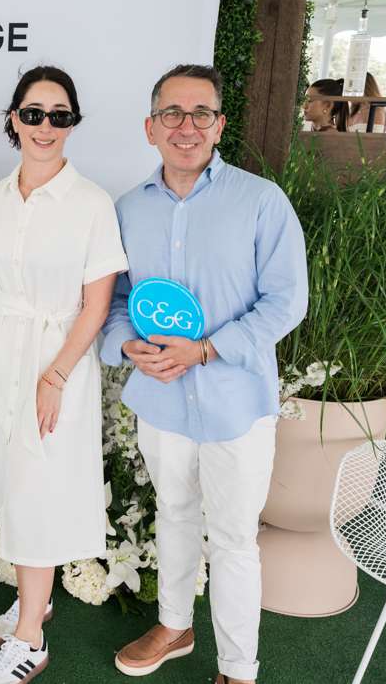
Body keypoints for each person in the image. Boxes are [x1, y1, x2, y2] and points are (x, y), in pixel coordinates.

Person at [101, 64, 307, 684]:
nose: (185, 127)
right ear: (150, 126)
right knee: (175, 513)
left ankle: (239, 668)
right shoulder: (128, 209)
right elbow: (114, 300)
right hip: (161, 401)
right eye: (171, 113)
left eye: (200, 115)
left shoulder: (260, 201)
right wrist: (128, 345)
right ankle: (174, 625)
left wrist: (208, 351)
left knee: (236, 538)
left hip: (235, 403)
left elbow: (285, 300)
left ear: (219, 126)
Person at [0, 65, 128, 684]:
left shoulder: (91, 203)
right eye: (33, 113)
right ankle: (38, 599)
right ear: (13, 119)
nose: (45, 126)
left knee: (40, 484)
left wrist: (54, 376)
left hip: (56, 361)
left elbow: (96, 304)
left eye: (59, 115)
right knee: (11, 478)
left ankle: (29, 638)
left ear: (73, 124)